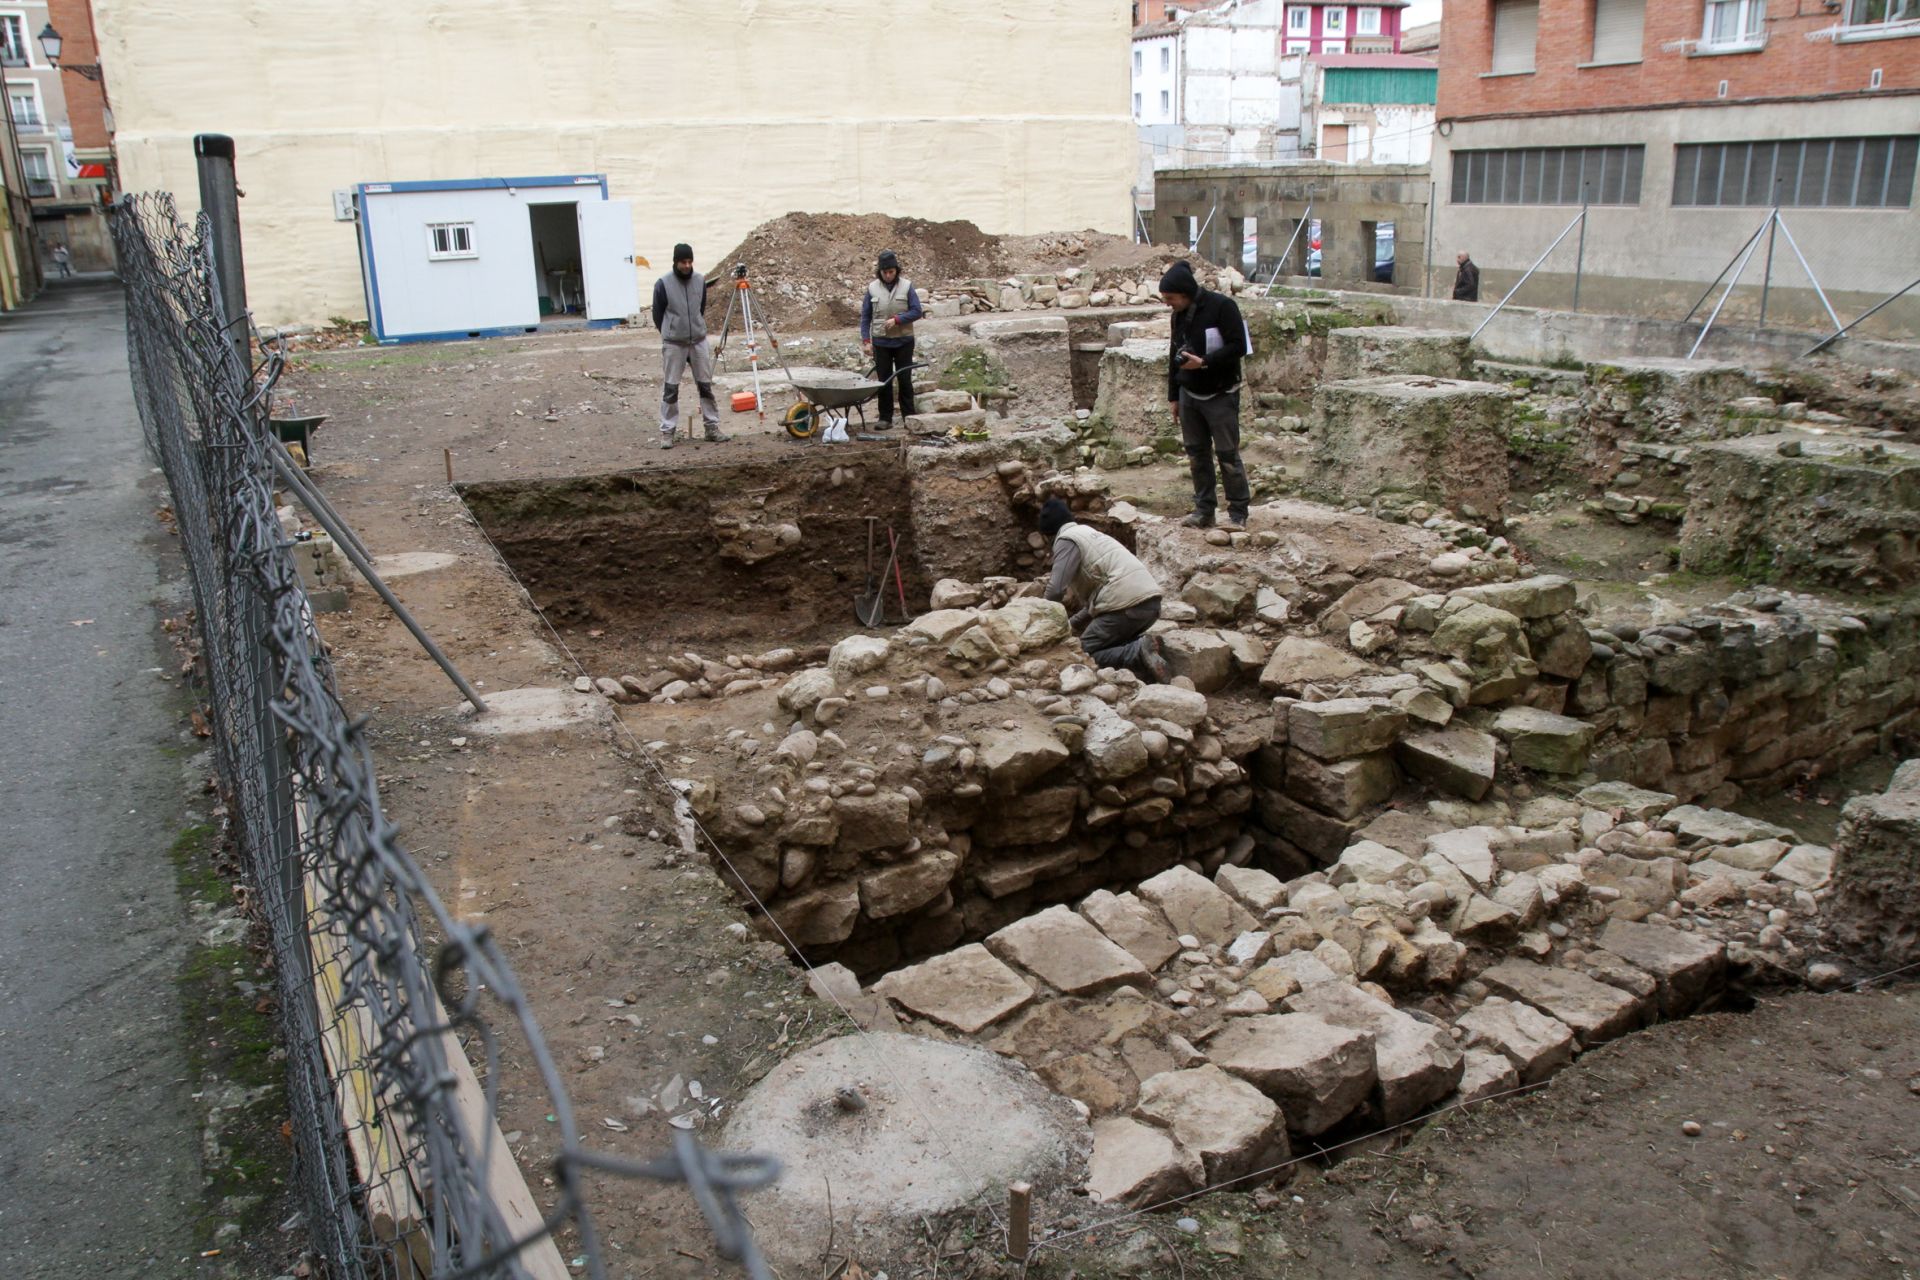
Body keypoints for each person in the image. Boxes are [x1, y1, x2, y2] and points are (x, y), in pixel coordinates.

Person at [1160, 260, 1252, 531]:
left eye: (1170, 298)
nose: (1167, 303)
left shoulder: (1223, 307)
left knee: (1227, 455)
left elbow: (1239, 346)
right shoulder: (1178, 315)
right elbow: (1172, 355)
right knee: (1197, 454)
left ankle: (1237, 514)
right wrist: (1174, 396)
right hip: (1189, 393)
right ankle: (1204, 511)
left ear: (1185, 293)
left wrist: (1205, 362)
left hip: (1220, 392)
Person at [1039, 498, 1171, 682]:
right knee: (1109, 642)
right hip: (1150, 604)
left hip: (1125, 605)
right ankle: (1144, 654)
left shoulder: (1067, 540)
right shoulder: (1089, 533)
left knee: (1083, 652)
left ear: (1049, 534)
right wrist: (1073, 624)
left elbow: (1055, 590)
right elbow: (1099, 597)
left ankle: (1136, 651)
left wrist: (1042, 621)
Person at [650, 244, 727, 449]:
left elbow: (700, 309)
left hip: (698, 342)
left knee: (705, 386)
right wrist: (671, 333)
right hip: (674, 343)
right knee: (671, 388)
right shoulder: (663, 284)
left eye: (690, 262)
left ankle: (712, 428)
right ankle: (667, 432)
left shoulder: (700, 281)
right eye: (683, 262)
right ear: (675, 262)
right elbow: (658, 315)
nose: (687, 265)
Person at [860, 250, 923, 427]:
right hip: (881, 343)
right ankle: (885, 418)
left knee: (904, 379)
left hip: (904, 341)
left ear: (896, 270)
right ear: (879, 272)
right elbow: (865, 317)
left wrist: (897, 320)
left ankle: (909, 417)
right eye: (884, 272)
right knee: (884, 381)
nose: (888, 276)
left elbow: (917, 311)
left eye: (891, 272)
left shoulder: (907, 286)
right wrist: (866, 341)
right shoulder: (872, 289)